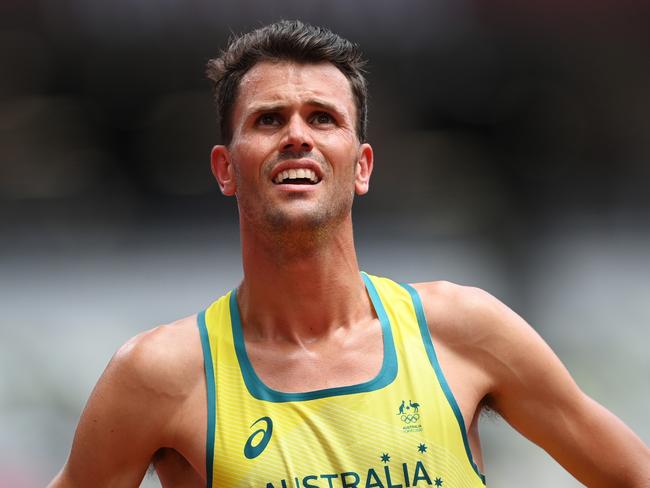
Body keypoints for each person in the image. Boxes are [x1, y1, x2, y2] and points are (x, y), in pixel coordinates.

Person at [49, 20, 650, 488]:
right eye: (268, 119)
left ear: (361, 166)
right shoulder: (160, 376)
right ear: (225, 169)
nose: (296, 136)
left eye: (322, 117)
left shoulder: (465, 331)